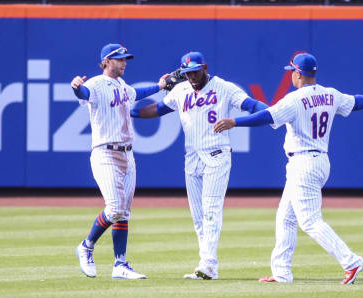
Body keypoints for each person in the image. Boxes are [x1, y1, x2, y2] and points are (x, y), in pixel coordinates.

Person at [214, 52, 363, 285]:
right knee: (286, 218)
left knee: (309, 221)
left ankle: (351, 261)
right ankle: (281, 273)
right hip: (318, 161)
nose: (290, 76)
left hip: (304, 164)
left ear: (297, 73)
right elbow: (358, 102)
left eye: (291, 73)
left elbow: (266, 116)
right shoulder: (330, 94)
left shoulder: (294, 100)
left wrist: (235, 121)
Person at [131, 51, 269, 280]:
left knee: (211, 210)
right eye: (187, 73)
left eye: (195, 71)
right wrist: (127, 111)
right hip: (191, 157)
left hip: (217, 154)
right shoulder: (180, 89)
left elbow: (253, 105)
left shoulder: (224, 87)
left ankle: (207, 264)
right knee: (198, 216)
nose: (192, 77)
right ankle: (208, 266)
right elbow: (154, 110)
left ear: (204, 67)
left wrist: (273, 112)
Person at [72, 43, 168, 279]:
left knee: (123, 212)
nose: (124, 62)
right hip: (105, 152)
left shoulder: (123, 86)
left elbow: (138, 93)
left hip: (127, 154)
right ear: (106, 61)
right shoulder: (95, 83)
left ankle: (120, 265)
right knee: (114, 208)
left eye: (126, 58)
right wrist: (76, 88)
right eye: (119, 59)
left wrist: (160, 86)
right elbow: (83, 94)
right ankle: (86, 246)